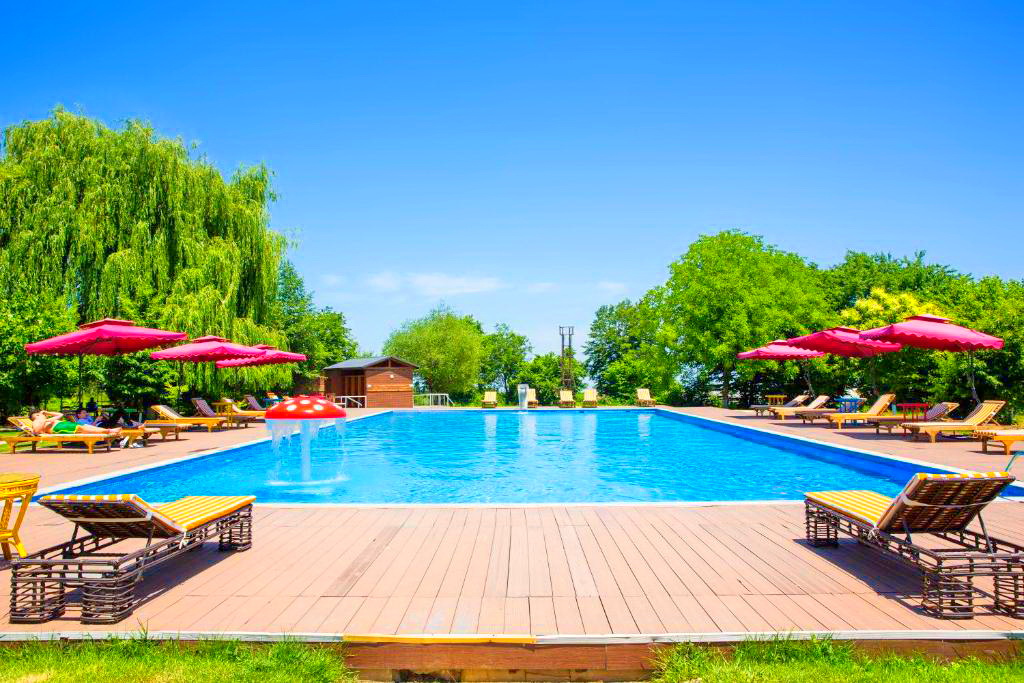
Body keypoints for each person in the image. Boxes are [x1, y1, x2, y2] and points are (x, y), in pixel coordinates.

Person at [30, 410, 121, 437]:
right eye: (39, 414)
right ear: (36, 415)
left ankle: (109, 431)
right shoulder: (37, 420)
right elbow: (36, 431)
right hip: (58, 428)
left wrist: (46, 412)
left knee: (84, 426)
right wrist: (42, 419)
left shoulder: (46, 419)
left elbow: (60, 415)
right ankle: (109, 431)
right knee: (82, 428)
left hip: (62, 424)